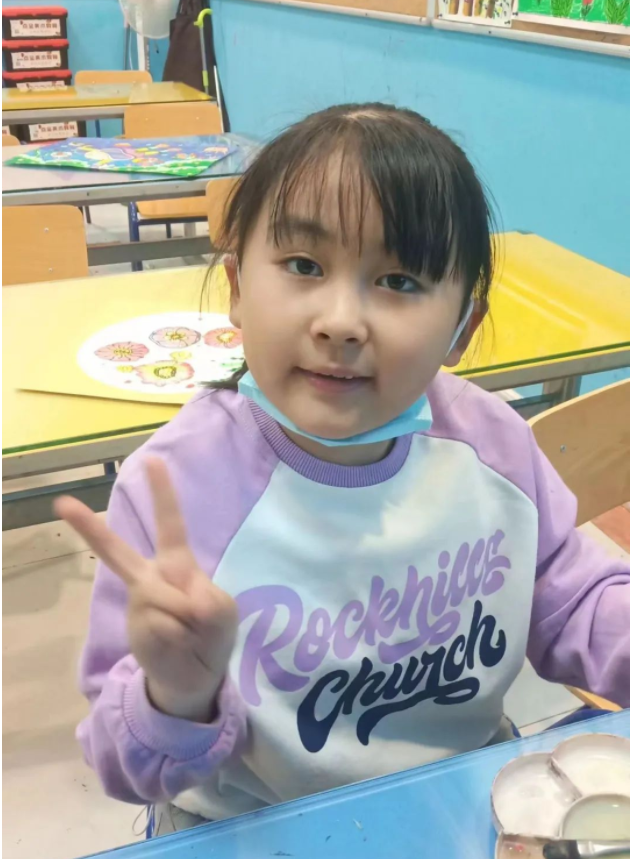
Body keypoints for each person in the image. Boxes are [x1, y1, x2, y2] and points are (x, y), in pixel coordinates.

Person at [57, 103, 630, 831]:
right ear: (236, 290)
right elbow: (123, 766)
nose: (339, 322)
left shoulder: (491, 443)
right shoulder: (175, 487)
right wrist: (175, 696)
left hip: (462, 790)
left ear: (464, 328)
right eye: (304, 266)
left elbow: (573, 601)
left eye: (398, 280)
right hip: (252, 822)